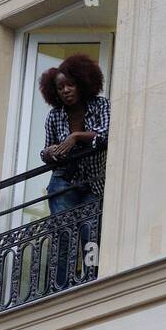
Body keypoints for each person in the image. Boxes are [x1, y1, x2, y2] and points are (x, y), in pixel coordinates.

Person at [39, 53, 110, 288]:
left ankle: (92, 282)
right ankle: (60, 286)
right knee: (63, 234)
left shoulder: (100, 106)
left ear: (82, 83)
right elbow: (45, 151)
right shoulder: (54, 116)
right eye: (60, 88)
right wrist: (51, 152)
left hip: (93, 182)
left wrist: (76, 137)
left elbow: (107, 135)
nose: (66, 90)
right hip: (63, 181)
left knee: (91, 234)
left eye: (70, 84)